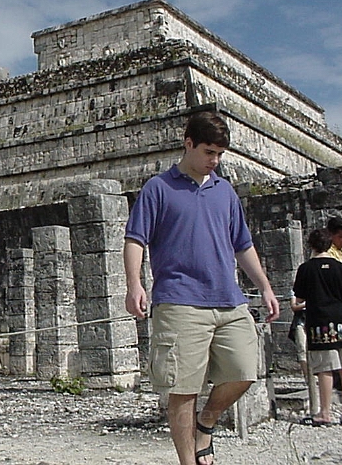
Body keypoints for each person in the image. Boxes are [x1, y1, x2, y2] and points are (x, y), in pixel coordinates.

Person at [123, 111, 280, 465]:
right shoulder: (158, 188)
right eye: (209, 152)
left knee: (246, 370)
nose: (215, 161)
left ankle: (206, 422)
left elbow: (243, 245)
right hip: (179, 301)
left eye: (220, 154)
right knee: (183, 389)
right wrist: (134, 284)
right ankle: (187, 461)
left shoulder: (225, 191)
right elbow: (135, 239)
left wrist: (265, 288)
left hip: (229, 300)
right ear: (188, 143)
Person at [293, 227, 342, 426]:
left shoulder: (306, 269)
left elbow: (299, 298)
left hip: (320, 321)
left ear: (311, 245)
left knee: (325, 368)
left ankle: (324, 412)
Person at [289, 291, 319, 419]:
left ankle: (315, 377)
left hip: (313, 319)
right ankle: (308, 377)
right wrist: (308, 304)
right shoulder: (294, 291)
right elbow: (294, 306)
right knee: (302, 349)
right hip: (300, 321)